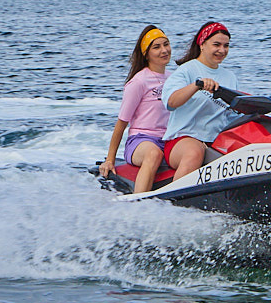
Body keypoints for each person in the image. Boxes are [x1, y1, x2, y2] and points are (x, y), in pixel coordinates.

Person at [99, 25, 173, 194]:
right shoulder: (138, 82)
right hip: (140, 141)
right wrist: (110, 159)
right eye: (157, 47)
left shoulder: (173, 78)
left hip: (168, 139)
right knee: (153, 154)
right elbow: (121, 123)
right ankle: (139, 202)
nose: (164, 50)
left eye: (166, 44)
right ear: (146, 54)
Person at [161, 20, 239, 180]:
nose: (222, 50)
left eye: (226, 46)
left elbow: (233, 115)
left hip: (216, 141)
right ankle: (172, 202)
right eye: (216, 45)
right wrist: (197, 85)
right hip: (181, 140)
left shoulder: (230, 77)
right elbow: (171, 102)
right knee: (195, 152)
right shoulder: (187, 70)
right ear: (202, 44)